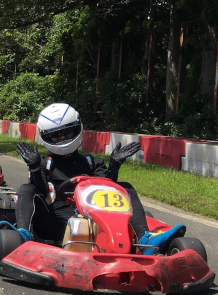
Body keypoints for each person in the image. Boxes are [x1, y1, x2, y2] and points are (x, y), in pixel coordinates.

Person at [10, 102, 179, 253]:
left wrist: (113, 166)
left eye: (67, 132)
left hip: (95, 224)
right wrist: (34, 168)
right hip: (55, 224)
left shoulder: (92, 163)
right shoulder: (44, 164)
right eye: (56, 135)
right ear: (47, 137)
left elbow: (109, 191)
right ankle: (24, 235)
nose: (62, 138)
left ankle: (144, 239)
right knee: (27, 188)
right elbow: (39, 191)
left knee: (125, 187)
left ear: (77, 129)